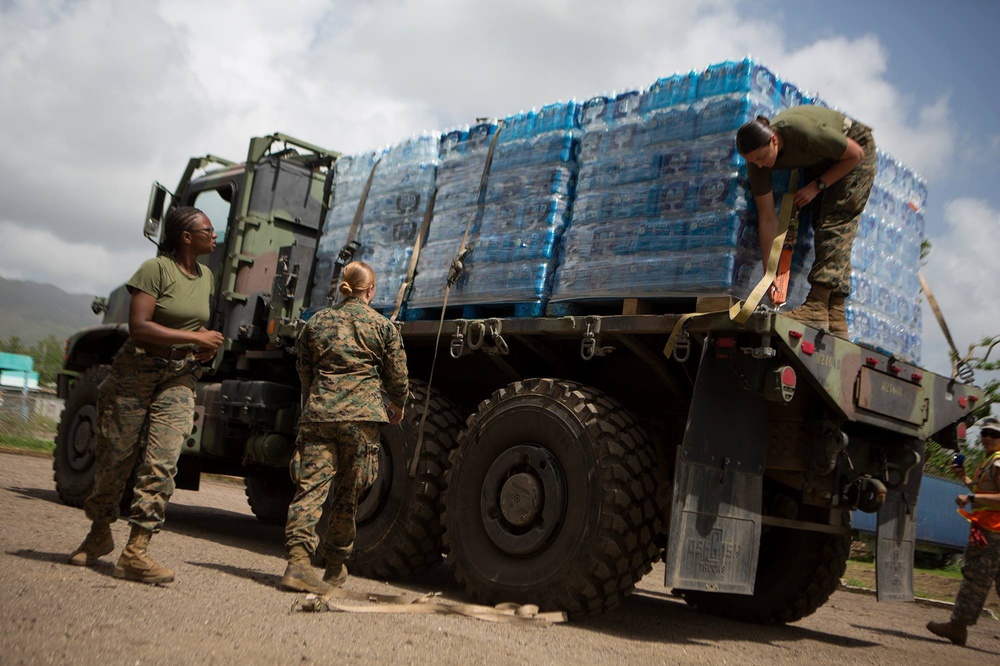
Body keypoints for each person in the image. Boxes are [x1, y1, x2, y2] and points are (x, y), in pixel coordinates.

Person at [67, 206, 223, 584]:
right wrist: (196, 338)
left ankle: (136, 552)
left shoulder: (206, 276)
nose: (215, 235)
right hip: (135, 372)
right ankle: (100, 531)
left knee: (162, 461)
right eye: (208, 229)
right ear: (187, 236)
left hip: (179, 377)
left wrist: (206, 347)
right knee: (115, 458)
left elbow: (195, 323)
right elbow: (138, 328)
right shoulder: (154, 270)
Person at [281, 261, 408, 594]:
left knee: (310, 489)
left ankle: (297, 563)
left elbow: (304, 371)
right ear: (370, 291)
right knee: (348, 496)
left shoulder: (317, 322)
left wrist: (326, 393)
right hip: (360, 422)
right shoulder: (382, 327)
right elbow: (397, 379)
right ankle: (334, 567)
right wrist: (397, 405)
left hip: (320, 415)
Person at [736, 105, 876, 337]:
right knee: (820, 225)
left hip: (854, 148)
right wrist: (769, 275)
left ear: (773, 140)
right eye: (754, 162)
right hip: (822, 160)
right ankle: (836, 316)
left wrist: (817, 186)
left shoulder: (802, 132)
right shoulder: (757, 162)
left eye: (761, 158)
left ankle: (817, 306)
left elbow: (856, 154)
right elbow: (768, 218)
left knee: (835, 224)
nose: (760, 165)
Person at [926, 416, 1000, 646]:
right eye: (984, 433)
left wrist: (971, 497)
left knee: (976, 579)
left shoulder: (997, 463)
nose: (987, 438)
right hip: (991, 529)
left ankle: (958, 627)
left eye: (994, 435)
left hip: (992, 532)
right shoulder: (990, 462)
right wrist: (965, 478)